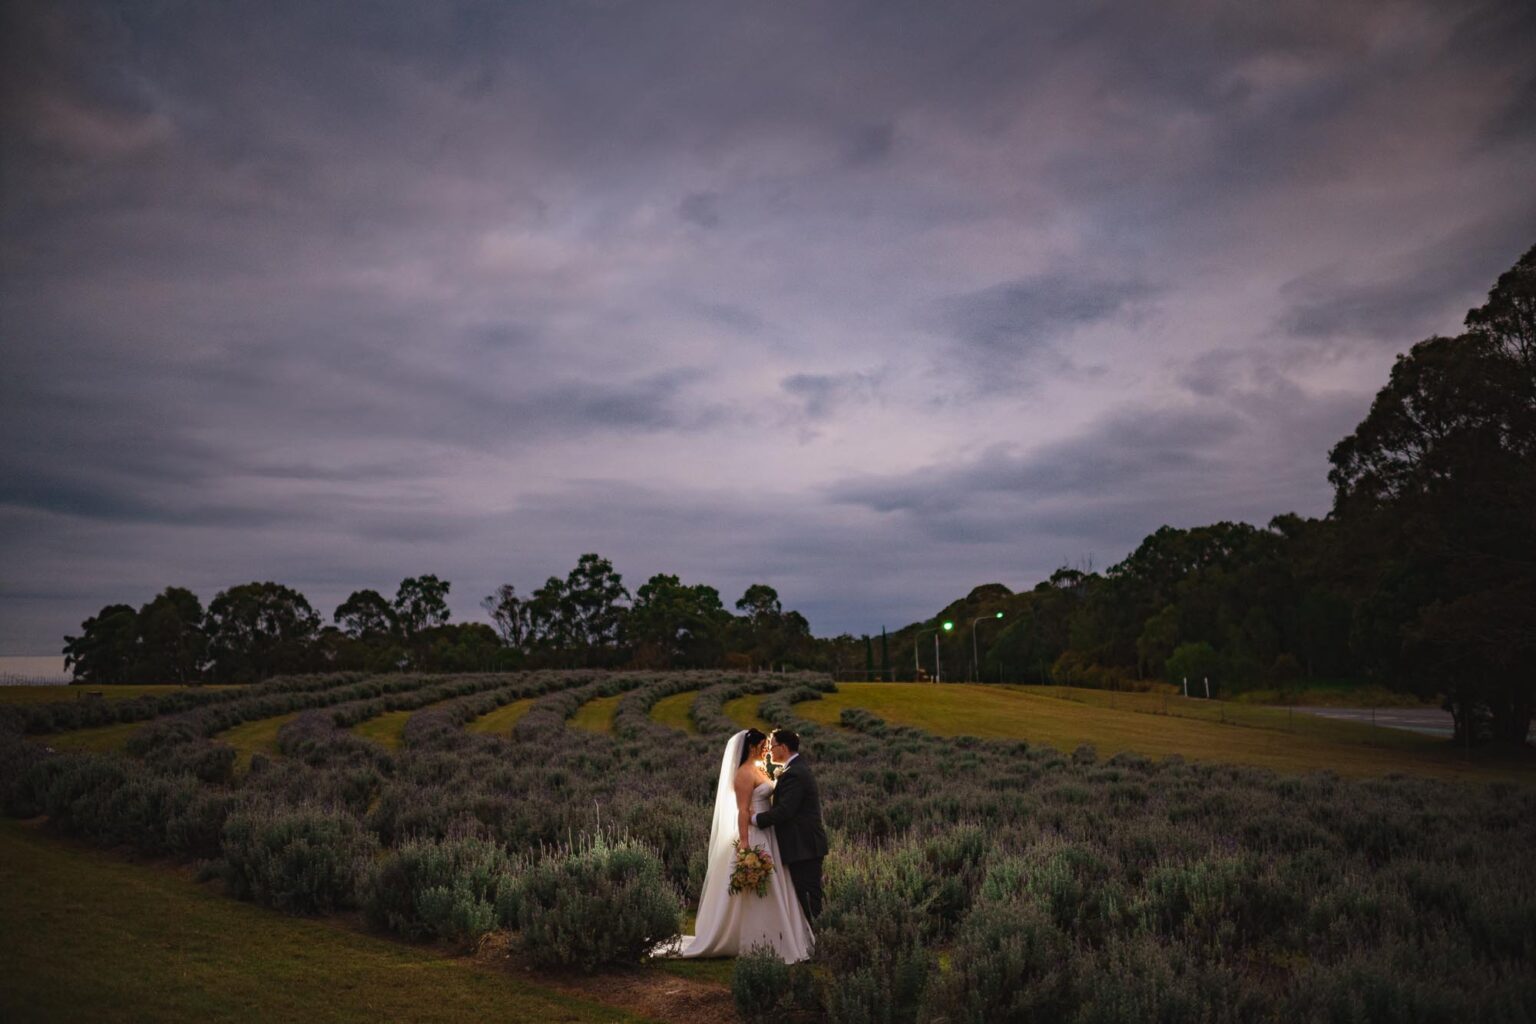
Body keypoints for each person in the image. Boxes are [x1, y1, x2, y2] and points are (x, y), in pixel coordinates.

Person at [673, 728, 814, 961]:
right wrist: (746, 845)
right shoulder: (743, 774)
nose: (766, 749)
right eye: (762, 746)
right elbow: (742, 811)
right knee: (763, 886)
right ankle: (759, 938)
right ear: (751, 747)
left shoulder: (758, 769)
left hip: (769, 832)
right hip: (755, 833)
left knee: (777, 883)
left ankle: (779, 936)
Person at [752, 729, 827, 921]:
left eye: (772, 746)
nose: (769, 750)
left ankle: (819, 941)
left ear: (783, 748)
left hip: (804, 847)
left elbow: (785, 811)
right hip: (801, 846)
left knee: (809, 897)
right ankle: (813, 940)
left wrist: (754, 819)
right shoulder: (794, 769)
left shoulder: (795, 773)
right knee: (804, 896)